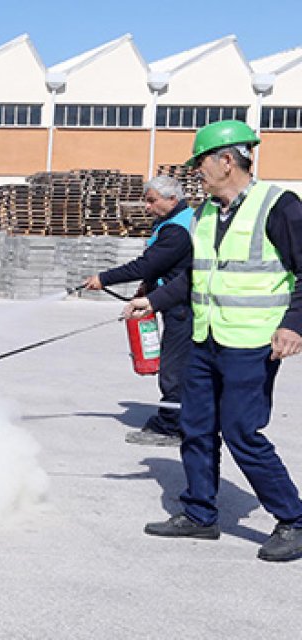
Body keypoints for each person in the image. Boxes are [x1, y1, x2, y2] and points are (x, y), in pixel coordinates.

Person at [127, 120, 302, 562]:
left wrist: (294, 324)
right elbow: (193, 275)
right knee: (196, 427)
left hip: (251, 343)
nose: (196, 172)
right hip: (205, 339)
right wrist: (156, 302)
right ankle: (200, 514)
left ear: (227, 161)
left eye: (200, 162)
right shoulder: (205, 214)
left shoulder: (279, 206)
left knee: (242, 432)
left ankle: (294, 520)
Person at [83, 175, 193, 447]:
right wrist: (146, 288)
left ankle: (171, 427)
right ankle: (181, 420)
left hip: (183, 307)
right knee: (178, 367)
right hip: (172, 300)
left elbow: (146, 264)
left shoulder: (177, 229)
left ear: (172, 199)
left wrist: (103, 279)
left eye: (151, 200)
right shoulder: (173, 221)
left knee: (173, 369)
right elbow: (160, 266)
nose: (147, 206)